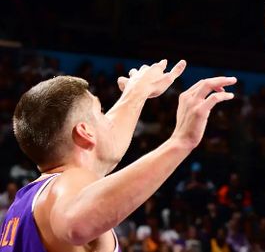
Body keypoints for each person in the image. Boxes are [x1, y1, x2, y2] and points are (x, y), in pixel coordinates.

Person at [0, 59, 237, 252]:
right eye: (101, 112)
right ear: (85, 132)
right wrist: (180, 141)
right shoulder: (69, 182)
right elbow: (75, 223)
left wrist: (137, 92)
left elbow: (106, 143)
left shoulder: (24, 205)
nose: (108, 119)